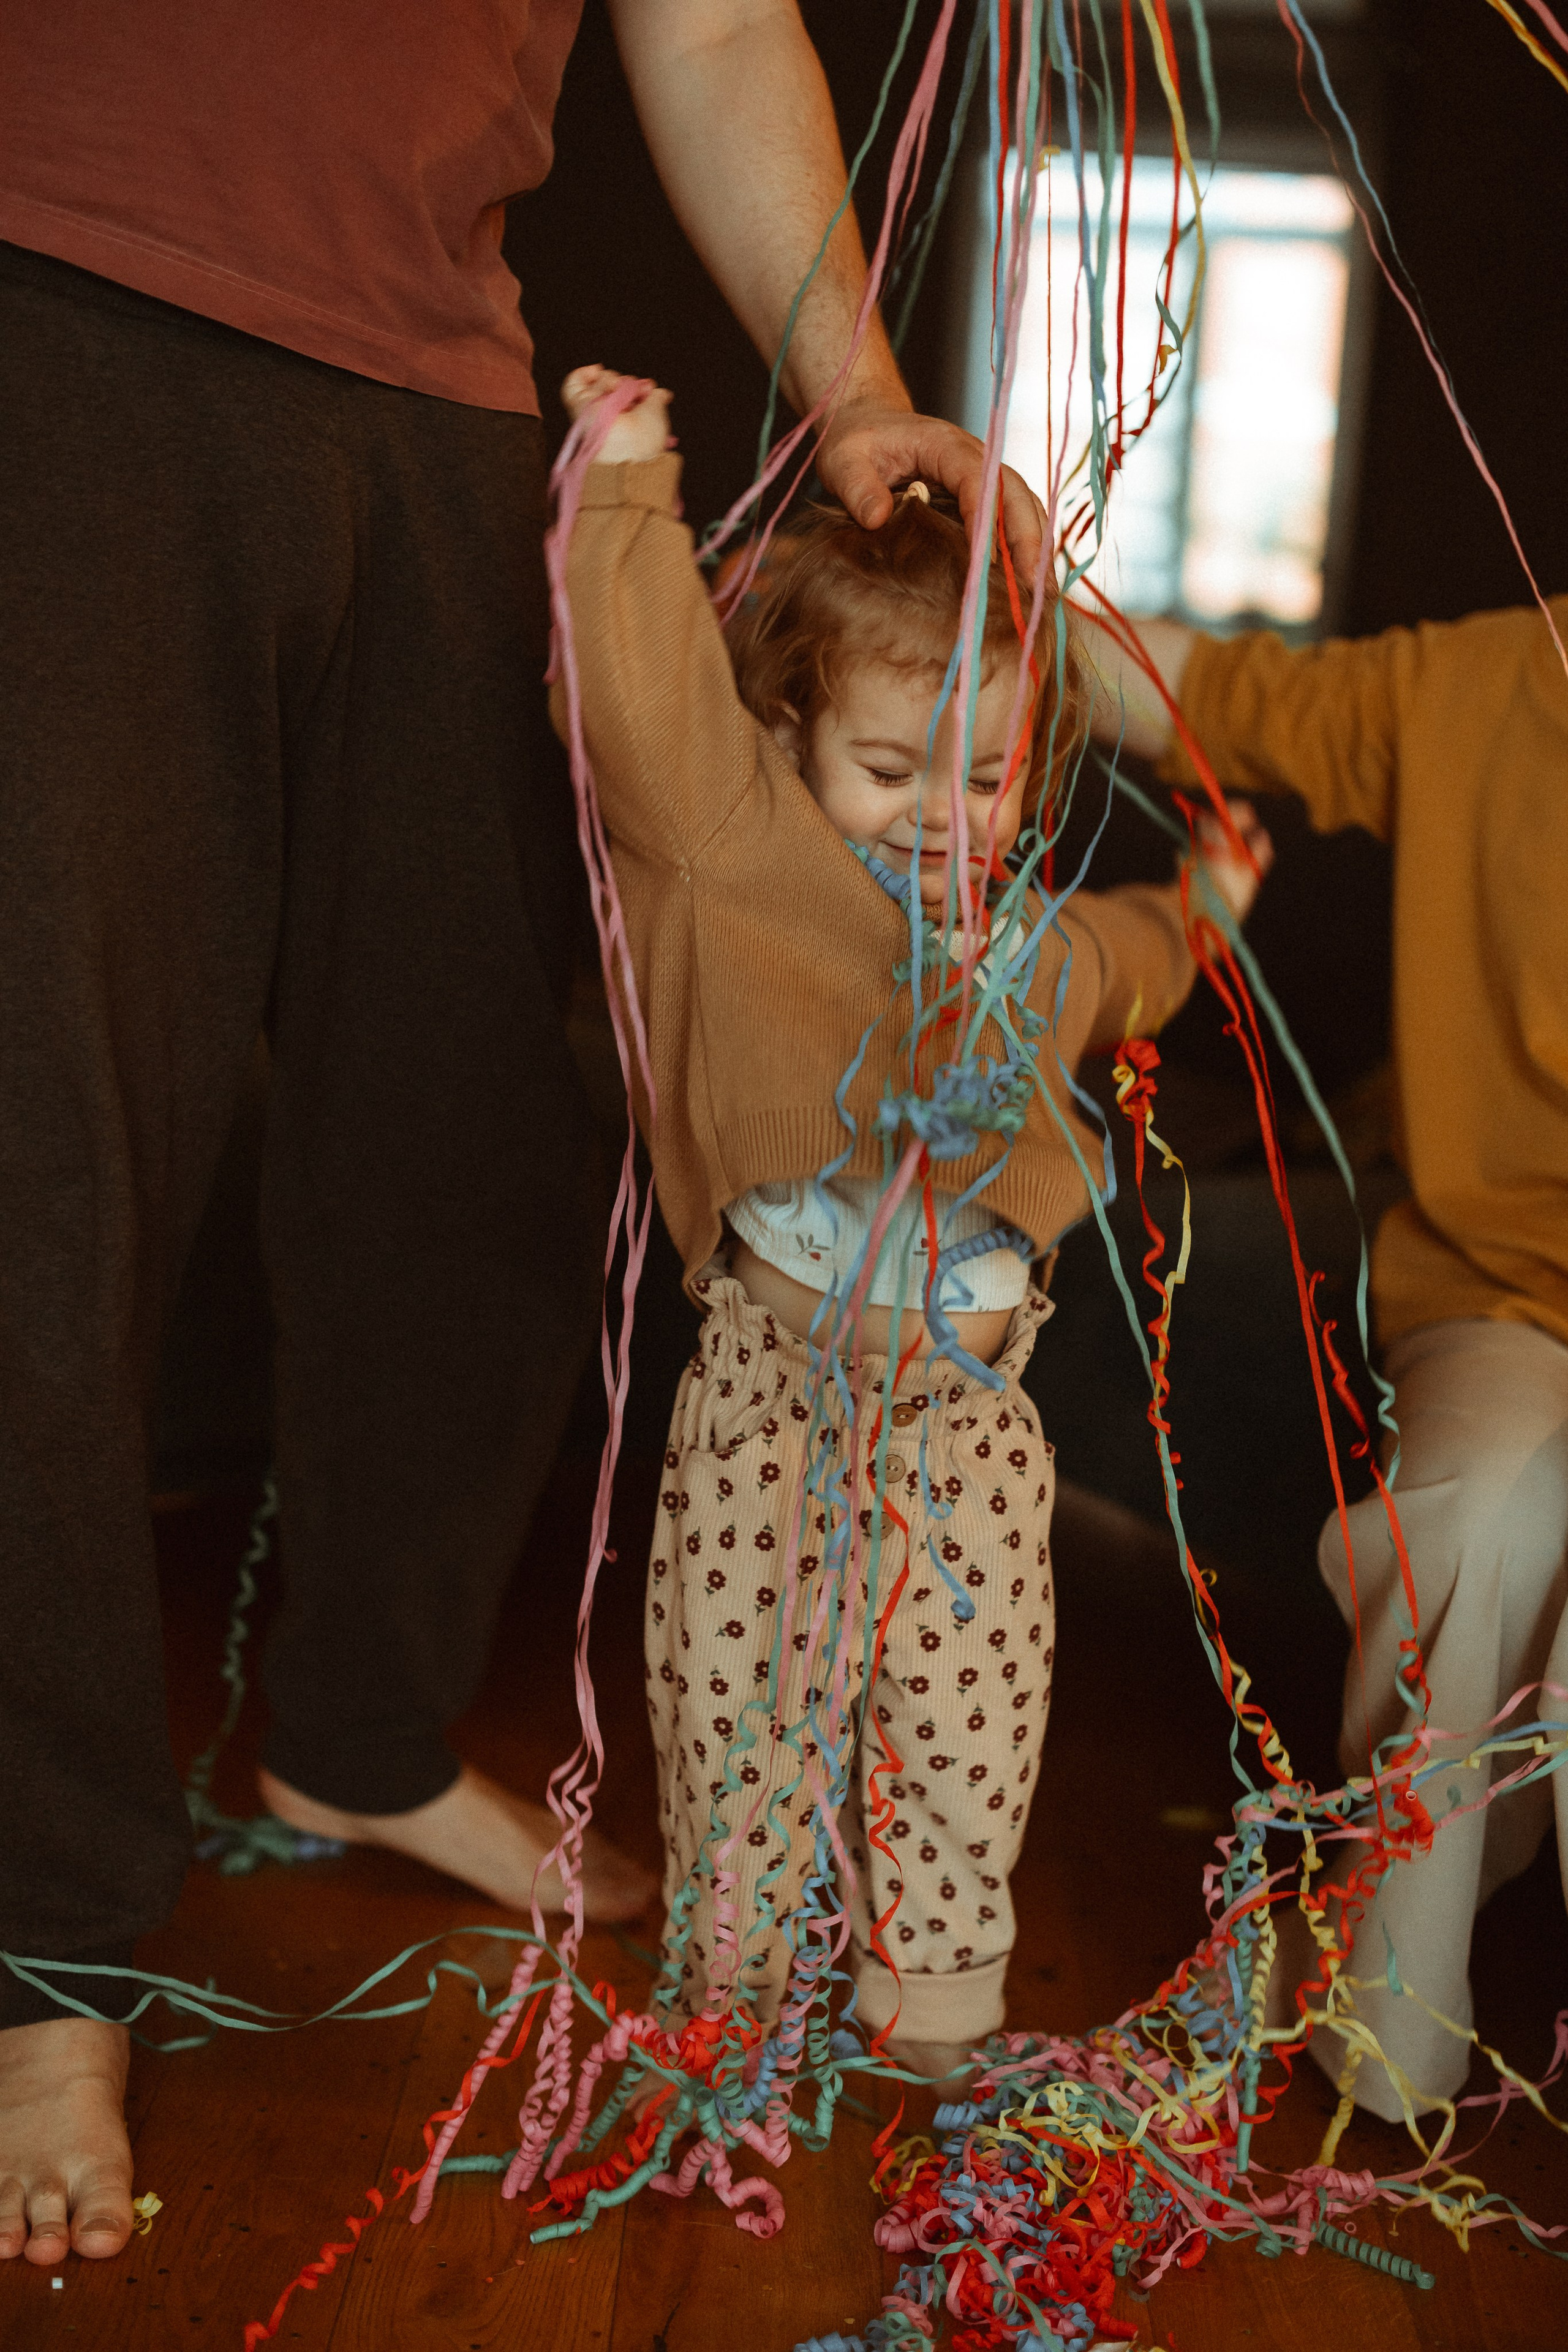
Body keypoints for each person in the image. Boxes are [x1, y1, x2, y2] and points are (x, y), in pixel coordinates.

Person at [0, 0, 1057, 2271]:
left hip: (442, 388)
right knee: (44, 1149)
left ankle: (357, 1726)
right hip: (52, 302)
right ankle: (48, 1947)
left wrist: (855, 382)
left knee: (494, 1124)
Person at [556, 368, 1272, 2082]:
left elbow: (1129, 960)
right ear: (796, 730)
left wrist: (1215, 904)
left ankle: (932, 2002)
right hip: (767, 1411)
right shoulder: (743, 862)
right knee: (737, 1718)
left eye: (989, 782)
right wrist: (630, 485)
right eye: (892, 766)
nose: (947, 820)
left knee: (964, 1726)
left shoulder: (1022, 955)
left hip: (965, 1435)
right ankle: (738, 1994)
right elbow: (644, 704)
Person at [1077, 599, 1568, 2120]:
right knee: (1476, 1512)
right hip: (1504, 1291)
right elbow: (1204, 691)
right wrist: (992, 569)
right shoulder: (1489, 679)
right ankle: (1383, 2009)